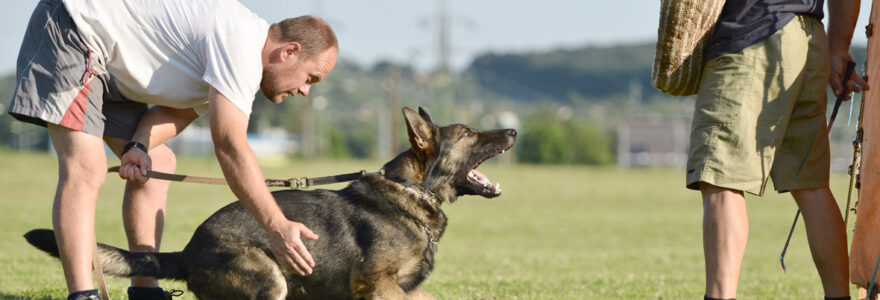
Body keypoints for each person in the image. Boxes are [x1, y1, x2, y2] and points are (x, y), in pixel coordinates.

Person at [7, 0, 338, 299]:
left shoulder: (239, 59)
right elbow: (229, 146)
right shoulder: (240, 45)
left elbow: (180, 112)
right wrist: (276, 225)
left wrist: (139, 144)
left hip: (113, 67)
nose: (307, 91)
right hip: (73, 28)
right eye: (311, 78)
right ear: (289, 51)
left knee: (158, 162)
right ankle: (84, 295)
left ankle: (145, 291)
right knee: (86, 168)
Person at [685, 0, 868, 299]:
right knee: (812, 186)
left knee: (722, 179)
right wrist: (837, 49)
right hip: (810, 40)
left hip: (752, 31)